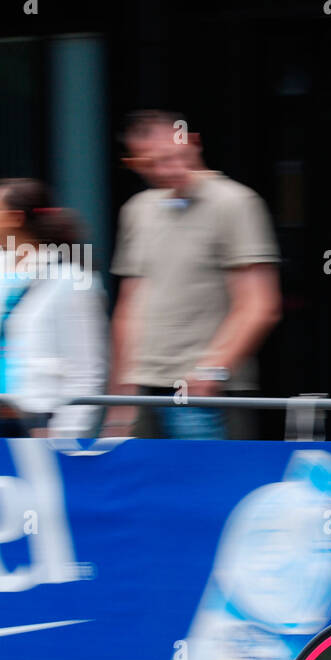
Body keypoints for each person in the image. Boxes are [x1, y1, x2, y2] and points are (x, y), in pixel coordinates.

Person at [105, 109, 281, 441]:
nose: (166, 170)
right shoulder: (139, 209)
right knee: (150, 489)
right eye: (150, 164)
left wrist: (213, 370)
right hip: (144, 385)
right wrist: (120, 393)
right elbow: (129, 305)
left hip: (203, 390)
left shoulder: (235, 202)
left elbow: (260, 304)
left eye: (173, 157)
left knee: (210, 489)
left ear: (193, 142)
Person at [0, 179, 107, 439]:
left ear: (15, 218)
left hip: (41, 421)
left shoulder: (73, 278)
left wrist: (66, 433)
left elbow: (86, 370)